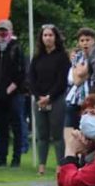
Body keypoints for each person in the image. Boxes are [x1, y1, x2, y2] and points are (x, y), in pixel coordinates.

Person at [27, 24, 70, 175]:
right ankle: (41, 166)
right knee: (42, 134)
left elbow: (62, 81)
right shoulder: (37, 57)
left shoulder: (62, 57)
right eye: (45, 35)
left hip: (56, 99)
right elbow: (31, 78)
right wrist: (38, 96)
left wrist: (49, 97)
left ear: (56, 37)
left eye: (50, 35)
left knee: (57, 134)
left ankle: (60, 165)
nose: (48, 38)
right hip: (39, 99)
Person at [0, 19, 27, 168]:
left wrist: (11, 88)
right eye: (0, 30)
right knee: (1, 126)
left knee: (16, 126)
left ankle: (16, 158)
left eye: (5, 30)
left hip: (13, 94)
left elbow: (21, 71)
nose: (3, 33)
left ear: (10, 31)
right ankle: (1, 157)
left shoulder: (16, 48)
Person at [65, 27, 95, 130]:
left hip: (92, 97)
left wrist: (82, 72)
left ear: (93, 41)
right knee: (71, 129)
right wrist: (88, 71)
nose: (85, 43)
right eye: (82, 40)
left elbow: (80, 73)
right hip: (75, 98)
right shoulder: (77, 56)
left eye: (87, 40)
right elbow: (76, 81)